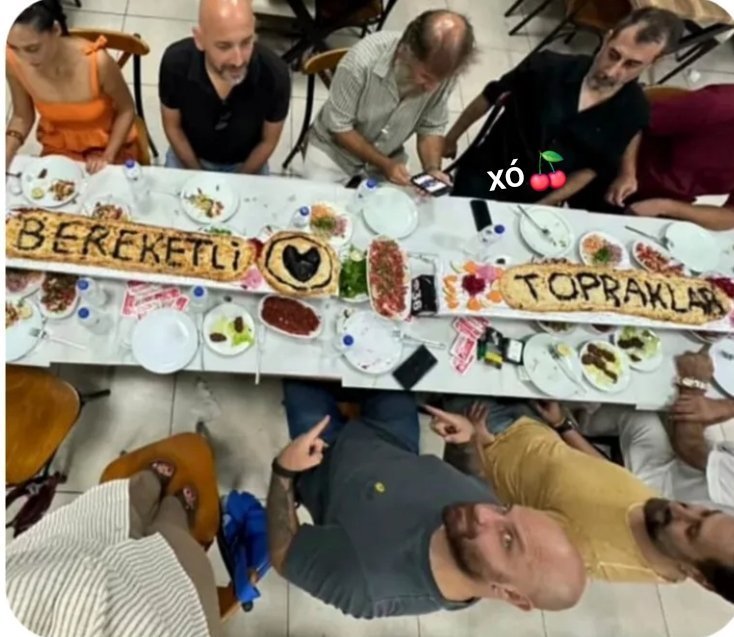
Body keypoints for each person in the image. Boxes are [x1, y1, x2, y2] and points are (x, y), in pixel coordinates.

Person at [265, 381, 586, 619]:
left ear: (512, 596)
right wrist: (465, 442)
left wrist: (283, 472)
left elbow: (284, 554)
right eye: (506, 509)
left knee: (296, 364)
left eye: (506, 540)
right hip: (393, 440)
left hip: (323, 461)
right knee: (397, 354)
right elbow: (474, 478)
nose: (484, 511)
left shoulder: (367, 583)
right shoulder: (482, 516)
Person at [428, 396, 734, 603]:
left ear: (699, 577)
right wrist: (563, 425)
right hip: (536, 427)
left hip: (486, 434)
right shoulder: (660, 522)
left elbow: (489, 512)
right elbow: (605, 475)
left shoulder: (585, 548)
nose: (681, 508)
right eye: (705, 512)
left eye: (693, 530)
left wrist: (475, 441)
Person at [444, 8, 683, 205]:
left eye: (631, 64)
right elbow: (490, 96)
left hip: (539, 193)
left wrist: (544, 205)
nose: (612, 71)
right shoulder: (546, 67)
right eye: (613, 54)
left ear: (654, 62)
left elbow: (591, 169)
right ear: (607, 38)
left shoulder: (633, 112)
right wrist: (451, 138)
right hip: (489, 172)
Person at [6, 463, 222, 637]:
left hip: (54, 566)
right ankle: (176, 509)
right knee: (177, 539)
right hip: (156, 614)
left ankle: (149, 483)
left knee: (119, 505)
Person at [301, 10, 475, 186]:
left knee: (407, 203)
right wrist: (385, 164)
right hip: (334, 151)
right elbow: (340, 128)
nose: (431, 88)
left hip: (388, 156)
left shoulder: (443, 73)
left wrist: (432, 169)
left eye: (440, 80)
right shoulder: (360, 62)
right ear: (404, 52)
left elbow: (431, 126)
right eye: (425, 77)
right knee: (320, 201)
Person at [582, 349, 734, 509]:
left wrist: (693, 384)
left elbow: (690, 447)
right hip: (703, 466)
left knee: (639, 415)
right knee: (676, 401)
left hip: (663, 491)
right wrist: (727, 407)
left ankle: (582, 422)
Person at [5, 0, 142, 173]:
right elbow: (22, 116)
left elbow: (126, 109)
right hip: (58, 146)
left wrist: (107, 156)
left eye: (32, 48)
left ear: (56, 29)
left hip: (109, 143)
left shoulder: (97, 62)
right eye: (14, 47)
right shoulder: (12, 60)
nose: (25, 59)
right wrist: (7, 153)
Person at [159, 0, 290, 174]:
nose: (238, 61)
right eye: (224, 46)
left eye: (246, 42)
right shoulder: (176, 63)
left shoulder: (274, 74)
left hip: (246, 163)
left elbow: (268, 142)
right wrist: (197, 174)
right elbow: (173, 127)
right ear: (199, 39)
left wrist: (238, 180)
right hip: (189, 155)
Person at [605, 84, 734, 230]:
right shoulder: (720, 106)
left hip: (665, 203)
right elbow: (632, 116)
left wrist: (666, 207)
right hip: (618, 166)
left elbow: (730, 216)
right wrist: (627, 172)